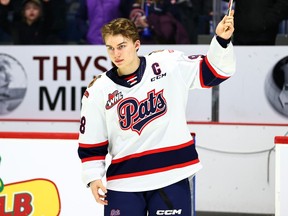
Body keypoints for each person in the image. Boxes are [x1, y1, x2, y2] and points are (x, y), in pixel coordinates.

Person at [77, 11, 235, 215]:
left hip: (171, 175)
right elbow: (91, 141)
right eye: (111, 48)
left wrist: (222, 40)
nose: (116, 54)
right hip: (124, 182)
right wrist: (92, 176)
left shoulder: (167, 64)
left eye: (122, 46)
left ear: (136, 45)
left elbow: (214, 72)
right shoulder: (98, 90)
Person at [120, 0, 190, 44]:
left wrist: (150, 24)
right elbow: (122, 20)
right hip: (134, 41)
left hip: (160, 42)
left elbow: (172, 25)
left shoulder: (166, 3)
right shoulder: (128, 2)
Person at [223, 0, 288, 45]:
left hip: (264, 35)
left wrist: (265, 22)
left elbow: (283, 4)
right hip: (240, 33)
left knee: (264, 62)